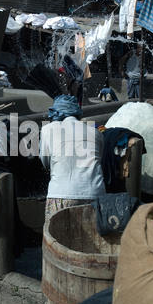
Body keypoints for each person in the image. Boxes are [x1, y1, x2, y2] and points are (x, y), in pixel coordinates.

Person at [39, 94, 106, 222]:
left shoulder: (48, 130)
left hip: (61, 195)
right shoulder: (96, 132)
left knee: (57, 236)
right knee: (90, 239)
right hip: (95, 194)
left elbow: (45, 162)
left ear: (56, 112)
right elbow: (99, 159)